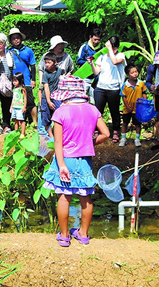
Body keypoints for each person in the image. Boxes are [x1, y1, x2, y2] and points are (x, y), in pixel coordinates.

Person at [42, 76, 110, 247]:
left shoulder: (61, 112)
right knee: (85, 197)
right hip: (85, 160)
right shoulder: (93, 110)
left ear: (65, 94)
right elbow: (106, 134)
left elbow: (57, 142)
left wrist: (62, 165)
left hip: (65, 158)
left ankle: (64, 236)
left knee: (64, 197)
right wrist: (90, 142)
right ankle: (83, 234)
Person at [87, 36, 126, 143]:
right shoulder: (102, 57)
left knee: (114, 111)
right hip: (100, 88)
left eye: (114, 47)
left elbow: (114, 61)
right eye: (111, 47)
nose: (113, 49)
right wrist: (91, 64)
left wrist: (109, 49)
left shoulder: (121, 56)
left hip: (114, 88)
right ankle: (96, 130)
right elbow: (96, 72)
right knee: (97, 111)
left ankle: (115, 131)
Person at [37, 35, 74, 135]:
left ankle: (62, 132)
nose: (60, 46)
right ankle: (44, 132)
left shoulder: (67, 57)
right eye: (58, 45)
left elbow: (70, 70)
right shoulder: (47, 56)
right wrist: (41, 83)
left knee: (61, 110)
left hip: (60, 89)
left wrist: (64, 79)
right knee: (44, 108)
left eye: (61, 44)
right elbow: (41, 69)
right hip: (47, 85)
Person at [8, 28, 38, 127]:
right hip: (15, 82)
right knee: (17, 102)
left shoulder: (28, 50)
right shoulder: (8, 52)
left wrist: (34, 80)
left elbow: (33, 66)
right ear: (11, 40)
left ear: (21, 38)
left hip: (27, 81)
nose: (16, 40)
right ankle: (20, 123)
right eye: (13, 38)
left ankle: (35, 123)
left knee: (30, 102)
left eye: (17, 38)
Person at [119, 64, 147, 147]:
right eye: (132, 72)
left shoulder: (141, 83)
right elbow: (123, 97)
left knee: (138, 124)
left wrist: (144, 103)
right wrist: (127, 106)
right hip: (127, 109)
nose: (135, 74)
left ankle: (137, 139)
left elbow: (144, 93)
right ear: (128, 75)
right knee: (125, 123)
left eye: (136, 72)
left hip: (138, 108)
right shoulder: (125, 85)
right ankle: (123, 138)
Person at [40, 52, 63, 135]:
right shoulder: (45, 74)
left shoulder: (60, 71)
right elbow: (46, 88)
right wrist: (48, 101)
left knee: (60, 113)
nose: (46, 65)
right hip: (46, 98)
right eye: (45, 62)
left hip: (57, 97)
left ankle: (59, 133)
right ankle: (51, 136)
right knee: (46, 118)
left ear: (55, 62)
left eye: (49, 62)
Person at [10, 72, 27, 139]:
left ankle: (23, 133)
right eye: (13, 80)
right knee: (16, 120)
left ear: (20, 81)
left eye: (15, 81)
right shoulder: (14, 89)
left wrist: (24, 107)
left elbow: (25, 98)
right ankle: (16, 132)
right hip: (15, 107)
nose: (14, 82)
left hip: (20, 107)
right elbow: (13, 99)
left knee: (21, 120)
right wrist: (11, 107)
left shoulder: (22, 89)